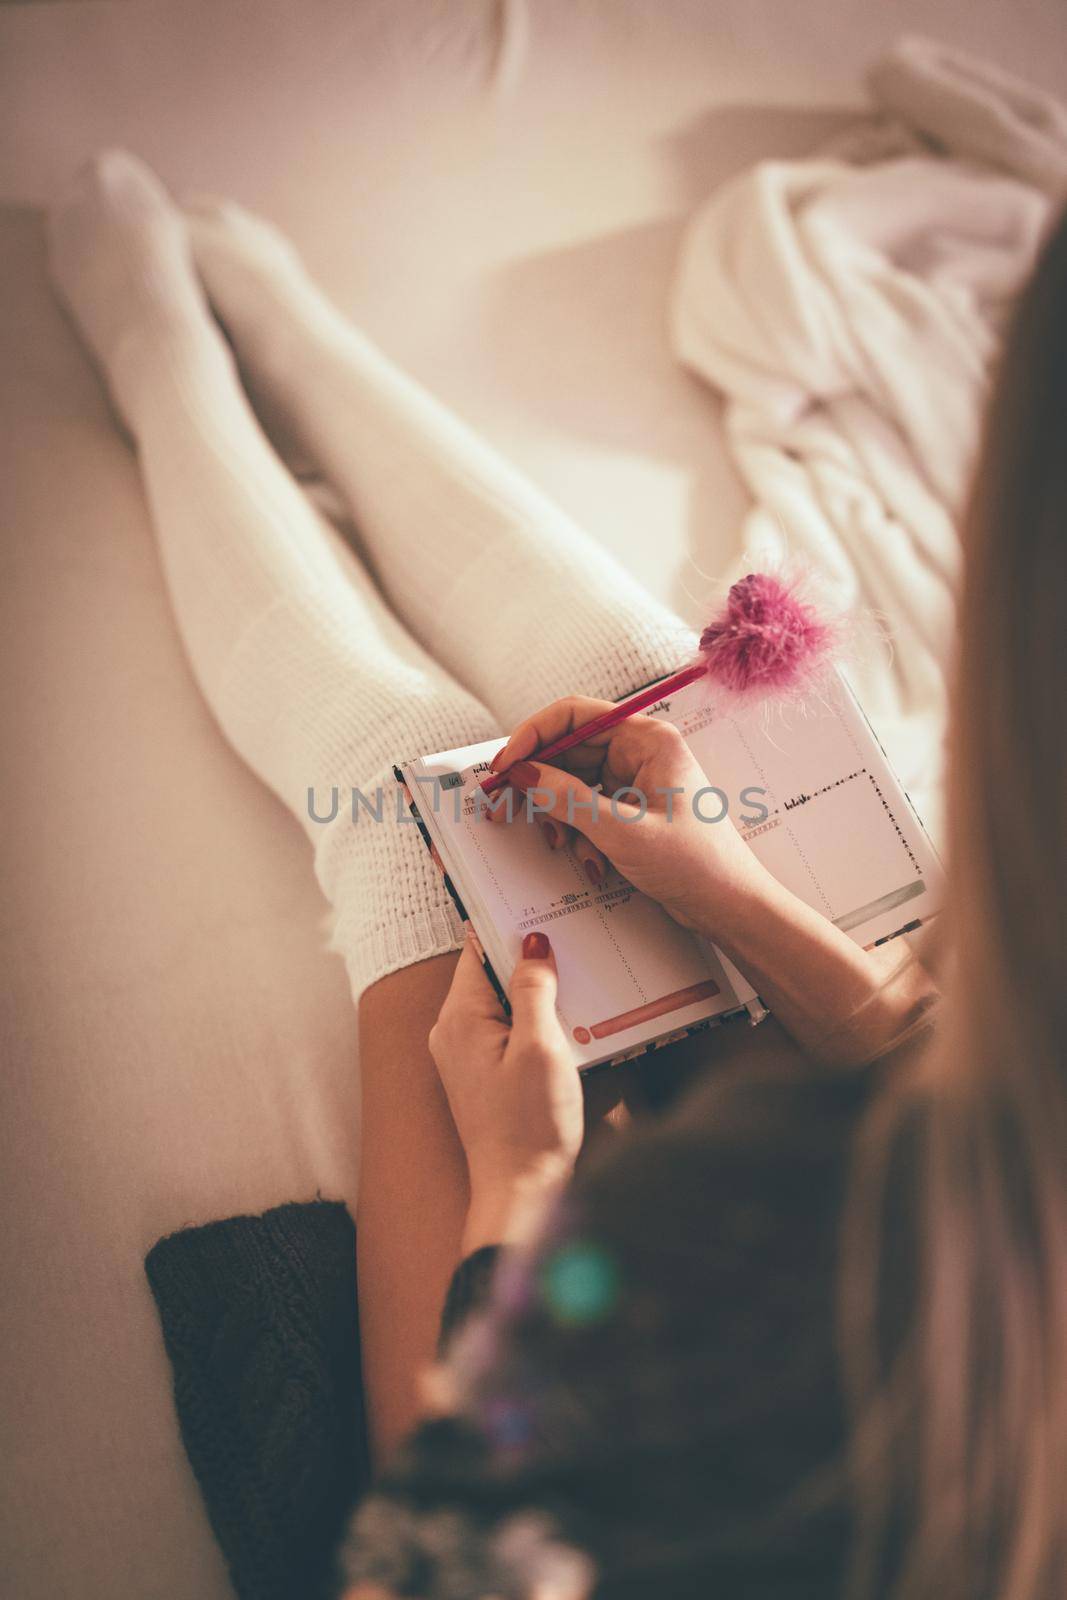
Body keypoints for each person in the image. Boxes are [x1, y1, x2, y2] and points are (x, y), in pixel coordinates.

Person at [47, 151, 1066, 1598]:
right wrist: (738, 901)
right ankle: (285, 336)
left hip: (533, 1394)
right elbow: (985, 1119)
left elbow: (433, 1562)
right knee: (633, 699)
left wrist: (515, 1193)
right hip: (844, 1211)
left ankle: (164, 355)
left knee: (407, 798)